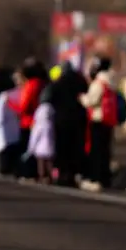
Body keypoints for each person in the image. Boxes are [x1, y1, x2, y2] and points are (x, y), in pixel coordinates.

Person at [49, 60, 88, 187]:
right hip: (78, 120)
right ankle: (73, 174)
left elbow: (49, 97)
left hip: (61, 120)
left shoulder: (58, 82)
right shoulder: (80, 81)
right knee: (75, 148)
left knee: (62, 148)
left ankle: (61, 174)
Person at [80, 56, 116, 192]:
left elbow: (91, 101)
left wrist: (82, 98)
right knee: (105, 151)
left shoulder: (99, 83)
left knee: (96, 151)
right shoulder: (112, 82)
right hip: (109, 120)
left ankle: (96, 179)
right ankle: (105, 178)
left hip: (98, 119)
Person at [25, 85, 55, 183]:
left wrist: (31, 147)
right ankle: (51, 176)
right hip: (50, 146)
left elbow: (35, 135)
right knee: (50, 162)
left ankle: (42, 176)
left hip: (40, 147)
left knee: (41, 163)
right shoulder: (51, 122)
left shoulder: (39, 123)